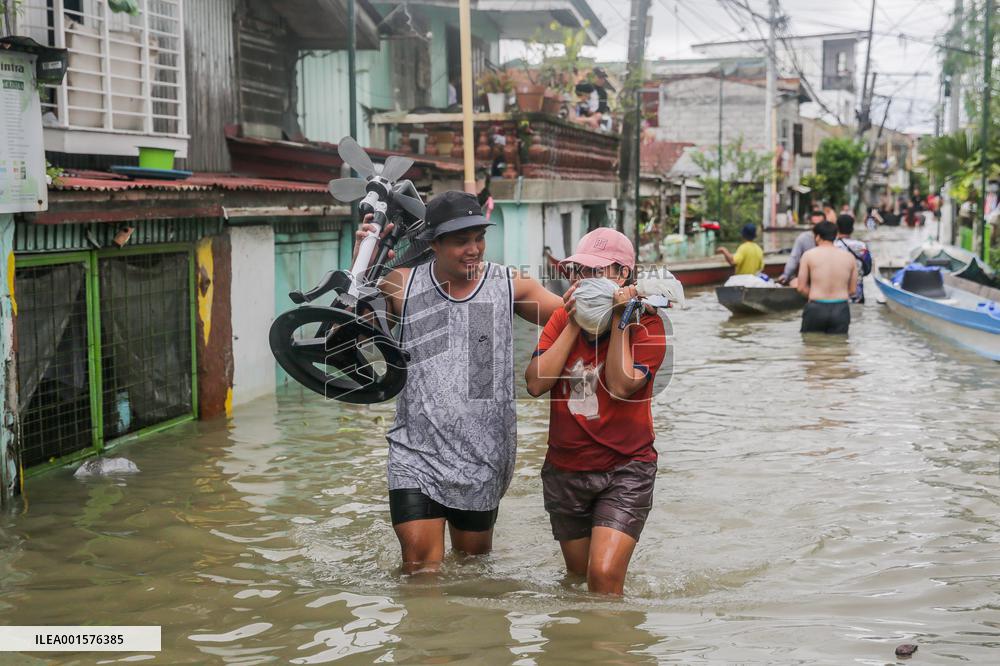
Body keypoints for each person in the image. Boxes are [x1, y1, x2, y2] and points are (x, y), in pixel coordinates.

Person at [352, 191, 566, 573]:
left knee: (472, 568)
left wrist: (622, 304)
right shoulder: (401, 285)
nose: (473, 250)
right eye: (460, 241)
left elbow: (571, 320)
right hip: (415, 451)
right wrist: (361, 259)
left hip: (483, 456)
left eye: (478, 238)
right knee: (419, 567)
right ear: (433, 243)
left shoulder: (509, 285)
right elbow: (347, 331)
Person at [524, 228, 667, 596]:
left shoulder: (647, 324)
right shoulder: (562, 318)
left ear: (622, 276)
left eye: (596, 273)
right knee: (578, 581)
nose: (585, 282)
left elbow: (621, 386)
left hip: (626, 467)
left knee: (602, 578)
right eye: (580, 273)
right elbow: (536, 384)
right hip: (567, 469)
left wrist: (620, 318)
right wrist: (574, 320)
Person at [797, 220, 858, 334]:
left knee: (811, 346)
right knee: (839, 347)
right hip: (841, 309)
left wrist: (814, 295)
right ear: (835, 236)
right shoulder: (849, 257)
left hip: (816, 307)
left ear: (818, 237)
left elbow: (801, 287)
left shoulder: (808, 255)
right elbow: (853, 290)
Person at [775, 209, 825, 285]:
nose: (816, 227)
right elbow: (794, 257)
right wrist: (786, 275)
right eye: (813, 224)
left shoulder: (831, 238)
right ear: (810, 224)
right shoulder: (803, 238)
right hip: (808, 276)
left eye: (819, 224)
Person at [833, 214, 871, 304]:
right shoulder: (862, 246)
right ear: (852, 228)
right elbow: (867, 269)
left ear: (837, 228)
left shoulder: (832, 246)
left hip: (835, 294)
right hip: (857, 293)